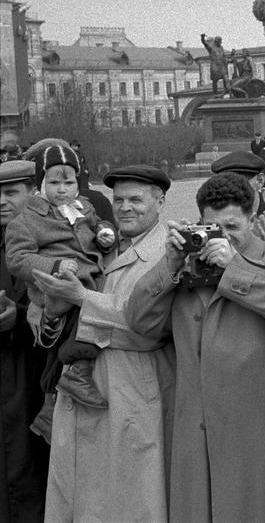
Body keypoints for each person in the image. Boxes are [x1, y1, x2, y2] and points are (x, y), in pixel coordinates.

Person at [125, 172, 265, 521]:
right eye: (213, 227)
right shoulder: (188, 265)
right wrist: (171, 264)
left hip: (259, 427)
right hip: (197, 428)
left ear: (253, 218)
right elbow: (140, 321)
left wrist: (233, 266)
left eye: (233, 226)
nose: (222, 236)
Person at [31, 165, 176, 521]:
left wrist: (81, 298)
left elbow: (150, 328)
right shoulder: (97, 243)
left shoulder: (170, 252)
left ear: (160, 202)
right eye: (119, 199)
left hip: (133, 388)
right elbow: (49, 330)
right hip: (84, 389)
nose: (126, 207)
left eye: (137, 200)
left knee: (132, 498)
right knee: (82, 496)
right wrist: (52, 309)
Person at [5, 144, 116, 423]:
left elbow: (99, 223)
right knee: (87, 317)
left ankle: (51, 401)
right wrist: (53, 267)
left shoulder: (84, 207)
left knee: (94, 316)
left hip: (89, 278)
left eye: (69, 182)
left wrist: (105, 233)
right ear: (40, 185)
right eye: (54, 182)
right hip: (57, 285)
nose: (63, 189)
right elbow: (18, 258)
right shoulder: (27, 219)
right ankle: (77, 372)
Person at [0, 160, 48, 521]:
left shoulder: (51, 239)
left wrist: (18, 317)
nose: (1, 201)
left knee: (31, 469)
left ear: (32, 194)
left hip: (34, 375)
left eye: (10, 193)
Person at [210, 150, 265, 214]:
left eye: (241, 184)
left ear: (260, 181)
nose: (234, 191)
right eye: (227, 185)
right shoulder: (215, 216)